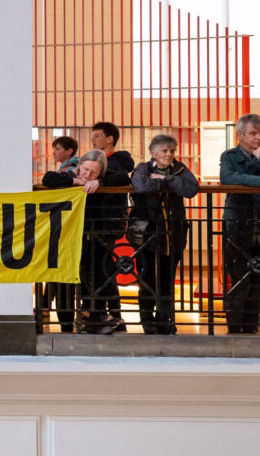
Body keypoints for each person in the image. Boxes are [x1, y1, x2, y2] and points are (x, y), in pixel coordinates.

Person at [43, 148, 130, 334]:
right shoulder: (69, 174)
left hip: (95, 234)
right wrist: (74, 181)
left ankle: (95, 317)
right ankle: (66, 325)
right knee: (64, 281)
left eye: (94, 172)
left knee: (100, 273)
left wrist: (100, 183)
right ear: (79, 165)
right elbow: (48, 179)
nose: (88, 175)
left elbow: (124, 178)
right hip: (67, 236)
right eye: (85, 169)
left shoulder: (103, 178)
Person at [129, 134, 199, 335]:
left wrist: (165, 179)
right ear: (153, 152)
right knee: (147, 277)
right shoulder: (143, 168)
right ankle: (147, 319)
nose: (169, 154)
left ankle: (164, 318)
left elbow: (191, 189)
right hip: (147, 233)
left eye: (172, 150)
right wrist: (171, 184)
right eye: (164, 150)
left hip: (174, 233)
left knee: (168, 278)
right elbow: (141, 186)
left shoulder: (180, 169)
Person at [219, 114, 260, 334]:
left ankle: (251, 325)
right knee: (238, 277)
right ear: (240, 135)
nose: (257, 138)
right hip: (237, 224)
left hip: (257, 223)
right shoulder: (230, 156)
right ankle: (234, 327)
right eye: (253, 133)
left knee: (257, 278)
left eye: (259, 134)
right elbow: (227, 178)